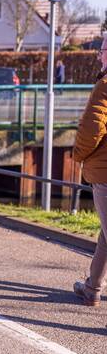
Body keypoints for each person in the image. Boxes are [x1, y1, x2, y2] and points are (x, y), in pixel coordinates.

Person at [72, 39, 107, 307]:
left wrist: (78, 155)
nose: (98, 56)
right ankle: (92, 288)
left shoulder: (105, 85)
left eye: (102, 50)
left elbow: (92, 130)